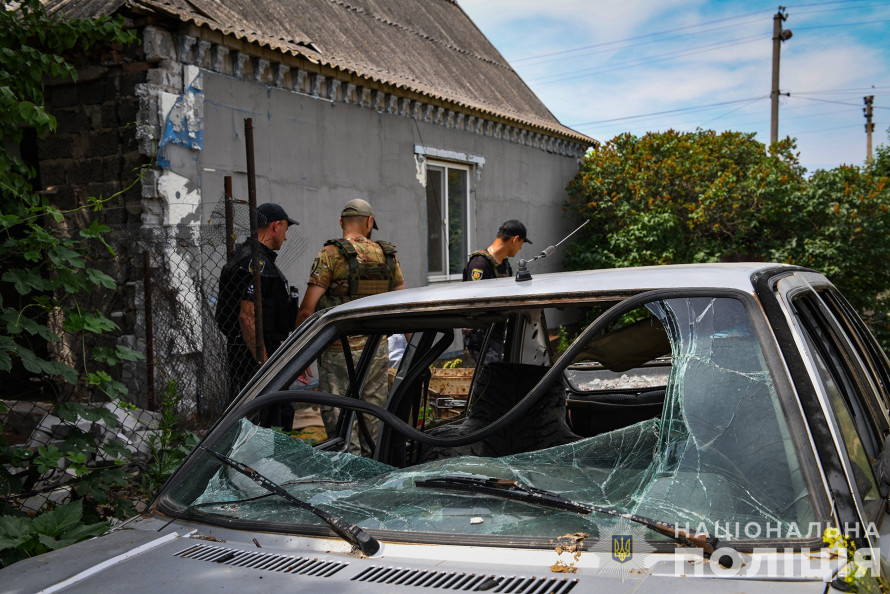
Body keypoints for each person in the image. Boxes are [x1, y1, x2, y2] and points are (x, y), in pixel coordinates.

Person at [296, 198, 405, 455]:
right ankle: (374, 469)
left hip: (337, 350)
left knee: (340, 415)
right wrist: (409, 349)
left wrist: (300, 355)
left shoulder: (330, 255)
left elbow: (306, 309)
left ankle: (348, 473)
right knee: (373, 413)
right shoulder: (387, 256)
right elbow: (402, 303)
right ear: (369, 222)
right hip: (376, 350)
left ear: (340, 222)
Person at [216, 202, 299, 428]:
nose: (286, 237)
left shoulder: (255, 258)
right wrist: (265, 364)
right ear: (275, 226)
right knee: (271, 418)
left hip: (257, 350)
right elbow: (247, 317)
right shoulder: (254, 261)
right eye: (285, 230)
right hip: (253, 356)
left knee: (278, 412)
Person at [461, 220, 531, 363]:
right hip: (482, 335)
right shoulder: (480, 264)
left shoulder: (504, 265)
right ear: (515, 239)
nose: (520, 249)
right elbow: (473, 302)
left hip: (496, 333)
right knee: (490, 377)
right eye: (521, 244)